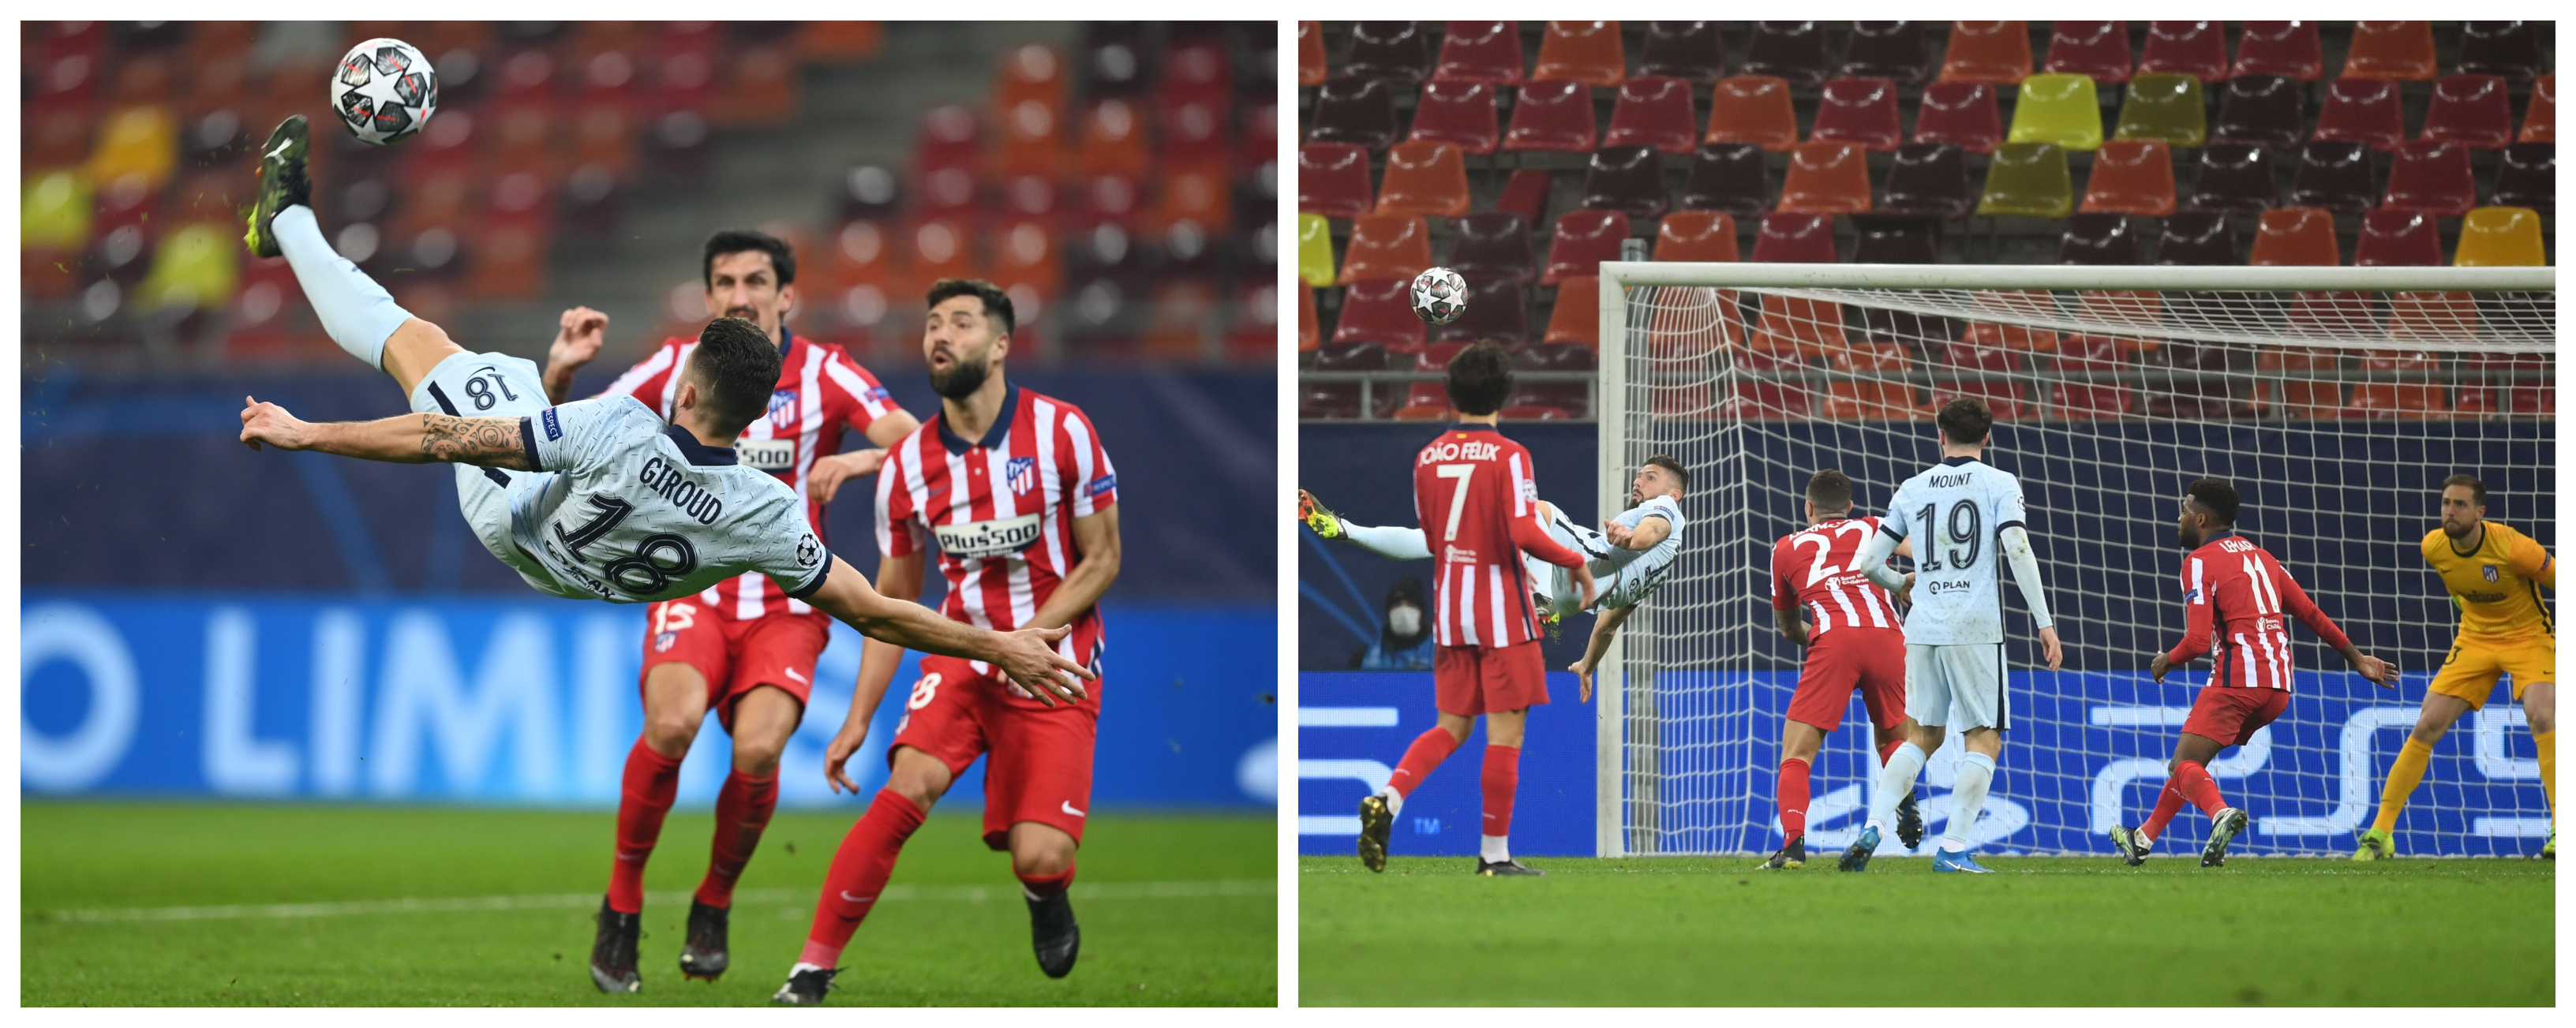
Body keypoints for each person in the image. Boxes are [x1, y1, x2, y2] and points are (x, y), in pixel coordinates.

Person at [232, 117, 1090, 993]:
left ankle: (289, 223)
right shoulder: (763, 509)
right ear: (758, 421)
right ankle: (634, 903)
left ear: (685, 384)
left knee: (418, 344)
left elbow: (441, 435)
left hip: (518, 521)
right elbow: (874, 608)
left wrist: (309, 433)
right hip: (610, 574)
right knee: (679, 721)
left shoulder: (621, 425)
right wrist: (1001, 642)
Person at [535, 229, 920, 987]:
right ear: (708, 297)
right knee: (671, 724)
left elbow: (919, 443)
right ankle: (621, 904)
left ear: (787, 296)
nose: (739, 294)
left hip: (786, 600)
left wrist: (864, 457)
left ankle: (714, 900)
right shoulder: (680, 367)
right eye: (723, 282)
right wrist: (558, 372)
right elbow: (563, 432)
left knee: (758, 750)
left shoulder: (829, 373)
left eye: (754, 280)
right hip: (694, 588)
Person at [776, 278, 1122, 1005]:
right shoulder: (904, 467)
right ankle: (810, 970)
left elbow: (1102, 558)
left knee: (1042, 854)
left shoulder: (1064, 431)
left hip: (1056, 664)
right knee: (907, 786)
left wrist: (1026, 640)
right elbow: (890, 602)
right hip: (964, 656)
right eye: (933, 323)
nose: (940, 334)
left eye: (961, 323)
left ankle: (1044, 892)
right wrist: (860, 717)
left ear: (1000, 345)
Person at [1348, 342, 1595, 877]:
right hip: (1503, 611)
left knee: (1451, 726)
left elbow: (1435, 538)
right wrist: (1574, 559)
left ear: (1449, 394)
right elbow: (1523, 529)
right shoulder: (1511, 455)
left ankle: (1388, 798)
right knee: (1506, 733)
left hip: (1451, 612)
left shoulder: (1427, 457)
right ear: (1506, 393)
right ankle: (1494, 853)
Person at [2110, 479, 2395, 867]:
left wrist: (2165, 661)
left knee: (2183, 766)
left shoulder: (2198, 562)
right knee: (2189, 766)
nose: (2179, 519)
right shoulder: (2263, 557)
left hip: (2237, 679)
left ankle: (2219, 814)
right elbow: (2309, 612)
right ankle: (2143, 838)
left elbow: (2196, 642)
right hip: (2278, 687)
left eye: (2184, 512)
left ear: (2202, 519)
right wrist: (2356, 657)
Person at [1840, 397, 2064, 873]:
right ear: (1988, 437)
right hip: (1975, 627)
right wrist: (2044, 622)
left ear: (1940, 435)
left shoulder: (1912, 488)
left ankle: (1876, 825)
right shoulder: (1999, 483)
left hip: (1922, 628)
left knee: (1921, 736)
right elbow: (2018, 549)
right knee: (1984, 739)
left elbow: (1869, 564)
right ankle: (1955, 848)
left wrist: (1901, 585)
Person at [1300, 455, 1688, 697]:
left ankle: (1537, 599)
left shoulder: (1666, 511)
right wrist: (1587, 665)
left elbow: (1654, 529)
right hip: (1575, 595)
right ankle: (1344, 528)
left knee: (1538, 509)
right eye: (1639, 475)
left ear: (1673, 494)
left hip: (1575, 566)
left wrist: (1631, 537)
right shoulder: (1657, 572)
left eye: (1650, 476)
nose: (1639, 481)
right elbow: (1608, 626)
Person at [2357, 474, 2555, 861]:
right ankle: (2380, 833)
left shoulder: (2514, 548)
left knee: (2541, 715)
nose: (2450, 510)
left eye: (2460, 504)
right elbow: (2459, 588)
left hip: (2529, 637)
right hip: (2475, 640)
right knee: (2427, 724)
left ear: (2480, 512)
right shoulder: (2433, 546)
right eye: (2446, 503)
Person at [1760, 470, 1926, 869]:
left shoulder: (1785, 548)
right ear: (1850, 507)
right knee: (1893, 741)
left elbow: (1787, 628)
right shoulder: (1873, 527)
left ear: (1809, 508)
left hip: (1833, 639)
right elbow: (1923, 552)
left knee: (1797, 754)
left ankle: (1794, 847)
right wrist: (1906, 582)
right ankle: (1906, 802)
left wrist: (1822, 641)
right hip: (1890, 639)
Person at [1353, 578, 1436, 671]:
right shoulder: (1364, 657)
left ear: (1421, 613)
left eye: (1411, 605)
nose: (1404, 612)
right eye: (1397, 605)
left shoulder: (1441, 654)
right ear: (1389, 613)